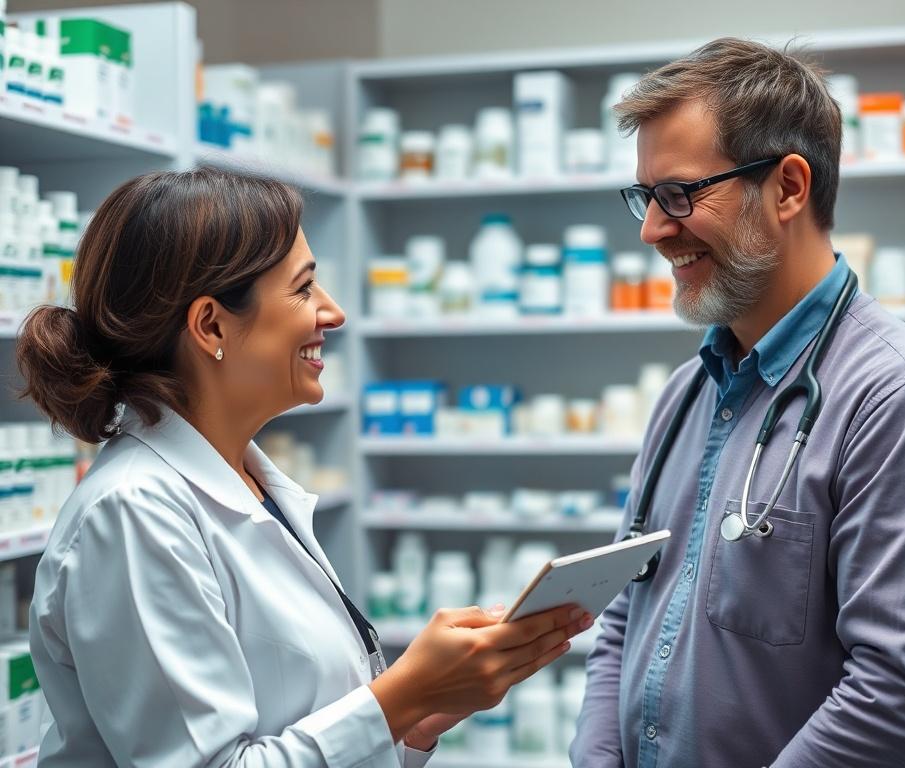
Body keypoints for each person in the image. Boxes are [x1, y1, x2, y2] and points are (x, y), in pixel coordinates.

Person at [18, 167, 593, 767]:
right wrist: (403, 694)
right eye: (303, 289)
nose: (334, 312)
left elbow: (302, 726)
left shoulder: (250, 483)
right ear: (211, 324)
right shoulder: (134, 513)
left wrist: (425, 713)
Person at [570, 38, 905, 768]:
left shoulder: (903, 402)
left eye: (679, 195)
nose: (652, 230)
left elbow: (899, 698)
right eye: (644, 199)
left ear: (788, 188)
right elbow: (625, 617)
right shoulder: (688, 395)